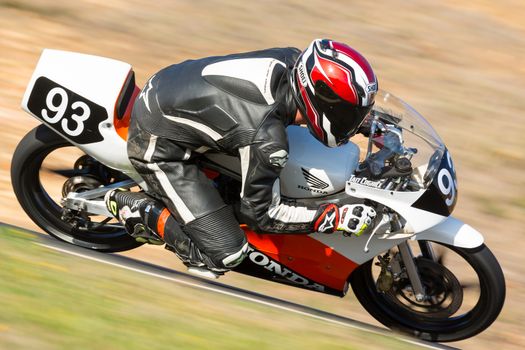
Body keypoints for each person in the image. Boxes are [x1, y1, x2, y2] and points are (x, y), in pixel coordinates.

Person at [105, 39, 378, 278]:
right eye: (347, 113)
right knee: (225, 253)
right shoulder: (266, 139)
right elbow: (261, 214)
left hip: (170, 85)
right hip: (158, 143)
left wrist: (373, 124)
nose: (352, 120)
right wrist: (331, 217)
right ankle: (141, 210)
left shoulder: (294, 61)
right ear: (323, 101)